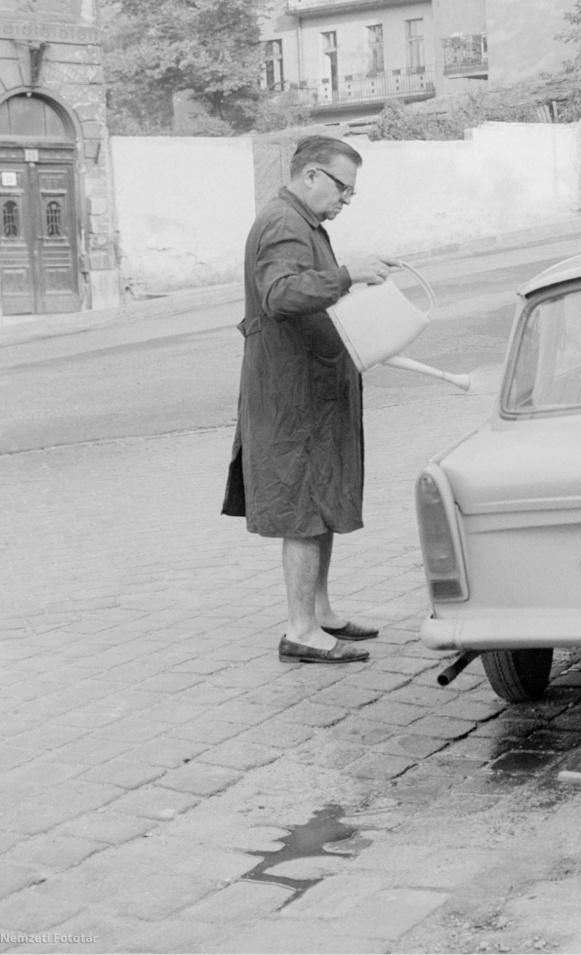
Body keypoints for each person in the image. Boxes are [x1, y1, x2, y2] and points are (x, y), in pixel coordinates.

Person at [222, 135, 399, 664]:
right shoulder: (284, 223)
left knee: (320, 498)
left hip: (310, 391)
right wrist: (347, 275)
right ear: (312, 176)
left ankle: (320, 613)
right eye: (343, 187)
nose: (347, 199)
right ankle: (300, 629)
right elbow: (281, 294)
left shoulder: (303, 222)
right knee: (302, 507)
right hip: (292, 397)